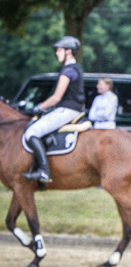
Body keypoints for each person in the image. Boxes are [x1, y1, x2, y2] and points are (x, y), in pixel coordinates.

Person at [23, 36, 85, 183]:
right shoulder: (76, 68)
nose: (57, 53)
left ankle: (44, 171)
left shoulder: (68, 71)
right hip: (72, 109)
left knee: (31, 132)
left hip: (67, 110)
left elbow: (57, 97)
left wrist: (39, 107)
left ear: (68, 51)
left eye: (59, 50)